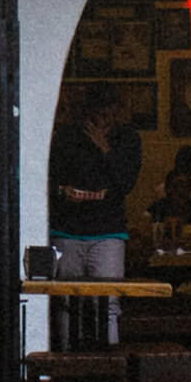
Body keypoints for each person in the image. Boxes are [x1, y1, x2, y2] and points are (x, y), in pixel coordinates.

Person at [47, 85, 141, 278]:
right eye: (99, 115)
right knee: (67, 293)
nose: (105, 121)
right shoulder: (66, 137)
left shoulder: (127, 138)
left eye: (111, 115)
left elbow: (127, 182)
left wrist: (105, 147)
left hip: (108, 230)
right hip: (67, 229)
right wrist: (62, 191)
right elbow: (48, 178)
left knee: (108, 293)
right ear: (87, 112)